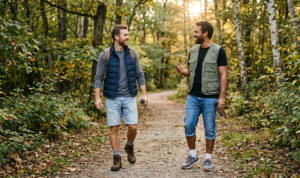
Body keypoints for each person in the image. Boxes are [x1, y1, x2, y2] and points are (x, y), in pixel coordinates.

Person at [94, 25, 148, 171]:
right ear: (116, 37)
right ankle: (116, 159)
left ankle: (129, 146)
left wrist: (144, 94)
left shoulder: (132, 53)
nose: (128, 37)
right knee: (114, 128)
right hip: (112, 98)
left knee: (133, 126)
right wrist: (97, 97)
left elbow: (139, 74)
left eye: (128, 34)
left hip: (129, 96)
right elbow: (99, 77)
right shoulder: (105, 54)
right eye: (125, 35)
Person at [176, 21, 228, 171]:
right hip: (193, 96)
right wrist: (181, 71)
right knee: (188, 125)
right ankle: (193, 156)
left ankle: (208, 159)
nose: (194, 34)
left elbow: (223, 75)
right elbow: (189, 72)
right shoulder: (192, 50)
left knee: (210, 129)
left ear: (205, 33)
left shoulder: (219, 51)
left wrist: (222, 97)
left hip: (210, 97)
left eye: (196, 32)